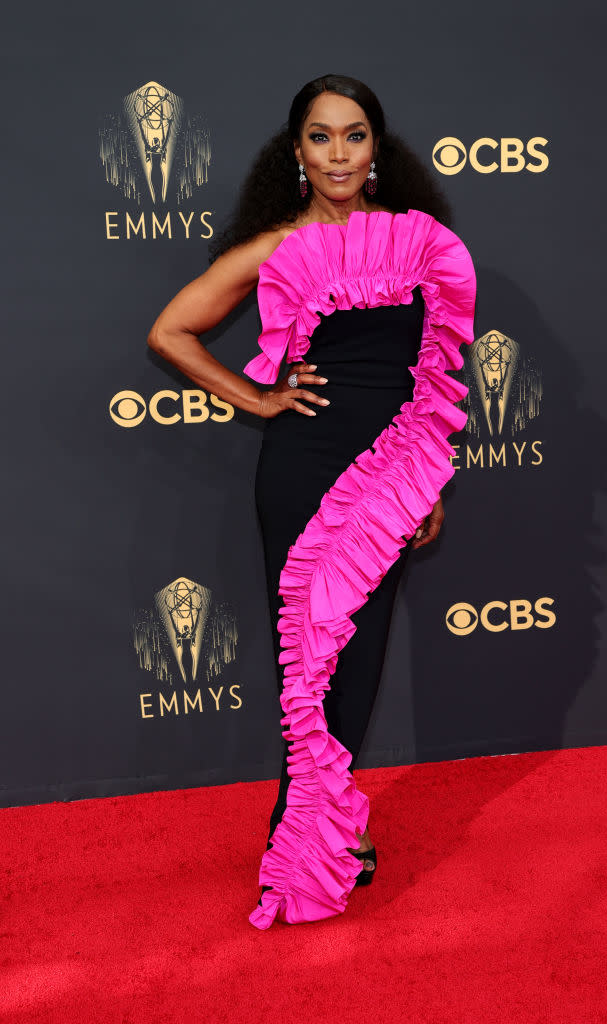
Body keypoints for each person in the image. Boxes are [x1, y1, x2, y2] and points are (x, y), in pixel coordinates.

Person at [147, 73, 477, 930]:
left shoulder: (416, 243)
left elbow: (433, 371)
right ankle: (299, 844)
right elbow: (170, 330)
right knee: (313, 661)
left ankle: (321, 826)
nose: (338, 153)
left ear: (377, 150)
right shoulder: (276, 249)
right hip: (305, 473)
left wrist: (424, 478)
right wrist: (256, 398)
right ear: (295, 152)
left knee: (358, 663)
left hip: (392, 473)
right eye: (320, 137)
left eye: (354, 135)